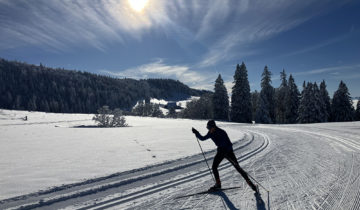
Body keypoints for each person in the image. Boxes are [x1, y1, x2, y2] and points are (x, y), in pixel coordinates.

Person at [192, 120, 258, 193]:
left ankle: (251, 184)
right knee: (214, 167)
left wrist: (226, 151)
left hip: (228, 152)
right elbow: (203, 138)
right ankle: (218, 184)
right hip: (220, 151)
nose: (209, 130)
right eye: (208, 128)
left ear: (214, 127)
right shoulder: (210, 133)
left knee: (237, 167)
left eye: (210, 128)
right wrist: (197, 133)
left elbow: (228, 143)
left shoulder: (221, 132)